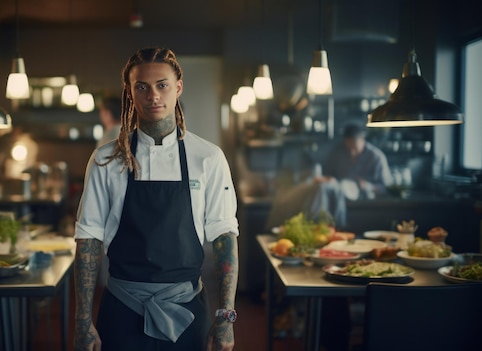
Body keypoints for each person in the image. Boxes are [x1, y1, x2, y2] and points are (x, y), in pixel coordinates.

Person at [73, 47, 239, 351]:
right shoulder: (106, 160)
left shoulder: (208, 158)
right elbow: (88, 239)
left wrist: (225, 319)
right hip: (122, 309)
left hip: (186, 311)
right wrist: (83, 320)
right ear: (129, 92)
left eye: (162, 85)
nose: (153, 95)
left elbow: (224, 237)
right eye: (142, 87)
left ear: (178, 87)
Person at [267, 122, 392, 230]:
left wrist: (367, 186)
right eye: (348, 147)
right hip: (333, 199)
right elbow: (327, 173)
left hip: (364, 206)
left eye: (354, 146)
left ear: (362, 139)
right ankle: (312, 226)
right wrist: (326, 178)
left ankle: (330, 227)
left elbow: (386, 188)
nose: (351, 151)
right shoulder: (339, 152)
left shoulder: (376, 157)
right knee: (315, 189)